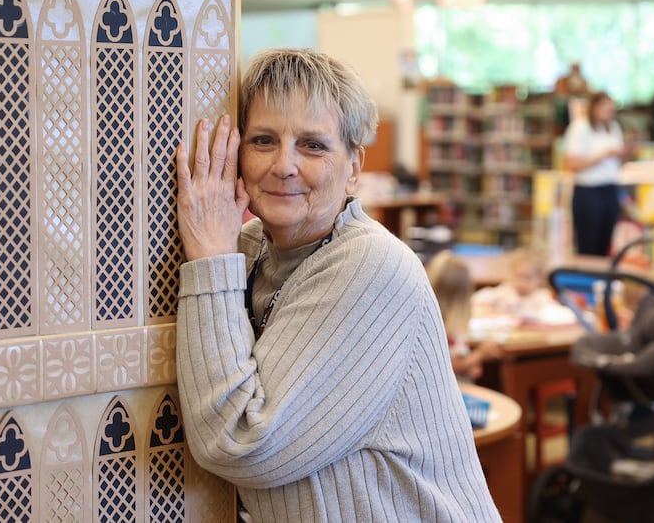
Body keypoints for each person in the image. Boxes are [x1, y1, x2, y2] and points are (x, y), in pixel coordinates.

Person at [174, 48, 501, 522]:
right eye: (264, 140)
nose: (284, 165)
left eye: (313, 145)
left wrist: (209, 262)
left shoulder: (372, 267)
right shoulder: (246, 247)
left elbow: (240, 441)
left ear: (353, 167)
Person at [564, 91, 628, 256]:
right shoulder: (580, 128)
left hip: (610, 188)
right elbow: (572, 164)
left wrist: (623, 154)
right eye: (604, 107)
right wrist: (603, 155)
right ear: (594, 107)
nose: (608, 111)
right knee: (588, 243)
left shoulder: (613, 127)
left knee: (605, 243)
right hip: (588, 191)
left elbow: (619, 162)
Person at [426, 249, 503, 382]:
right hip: (452, 388)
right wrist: (480, 355)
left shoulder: (441, 320)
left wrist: (470, 362)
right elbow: (451, 366)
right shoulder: (444, 325)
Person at [471, 246, 577, 325]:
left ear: (540, 278)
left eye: (527, 278)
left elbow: (563, 316)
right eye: (517, 276)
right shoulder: (505, 291)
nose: (521, 283)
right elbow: (477, 300)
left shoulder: (542, 297)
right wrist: (492, 310)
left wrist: (527, 316)